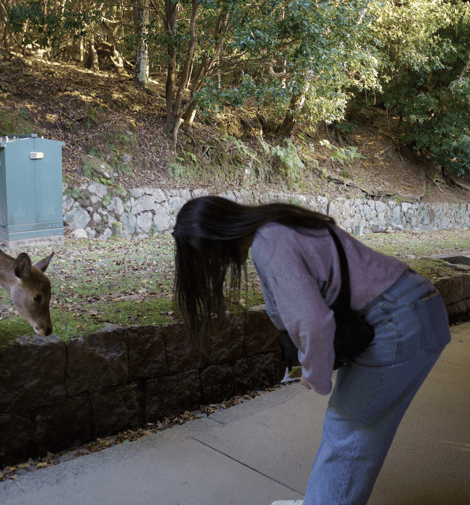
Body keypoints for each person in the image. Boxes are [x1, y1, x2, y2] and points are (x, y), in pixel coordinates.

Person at [172, 196, 451, 505]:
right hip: (415, 308)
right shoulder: (278, 224)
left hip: (398, 320)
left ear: (216, 239)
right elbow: (287, 308)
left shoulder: (270, 244)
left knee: (347, 431)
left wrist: (313, 373)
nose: (216, 265)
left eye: (206, 257)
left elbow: (313, 322)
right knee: (361, 428)